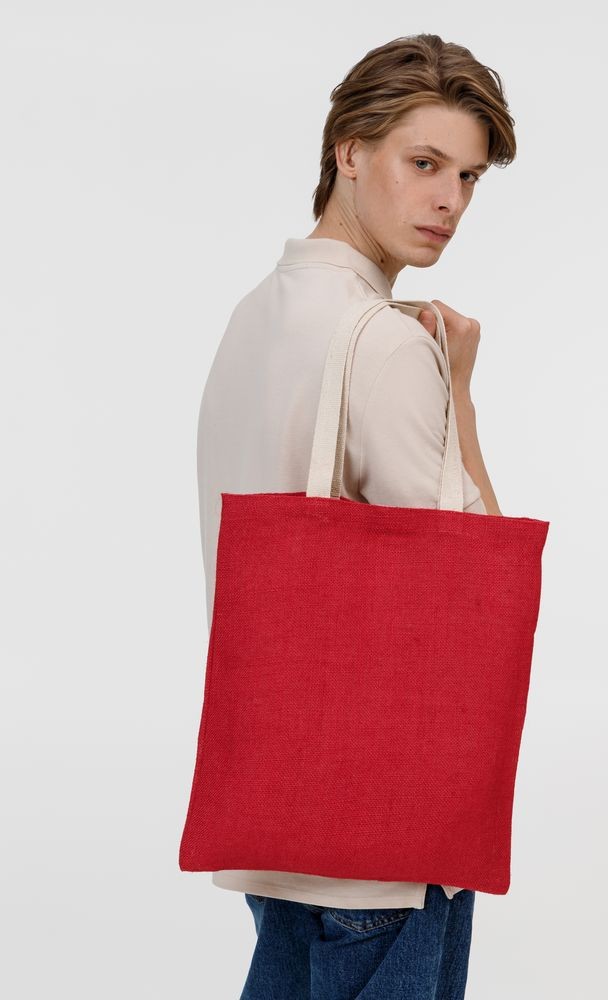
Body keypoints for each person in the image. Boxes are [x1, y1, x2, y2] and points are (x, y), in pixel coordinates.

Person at [195, 31, 515, 1000]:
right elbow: (477, 590)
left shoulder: (255, 314)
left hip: (277, 816)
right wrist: (459, 394)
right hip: (383, 841)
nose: (450, 201)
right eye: (424, 164)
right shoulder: (385, 343)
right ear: (349, 152)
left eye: (468, 176)